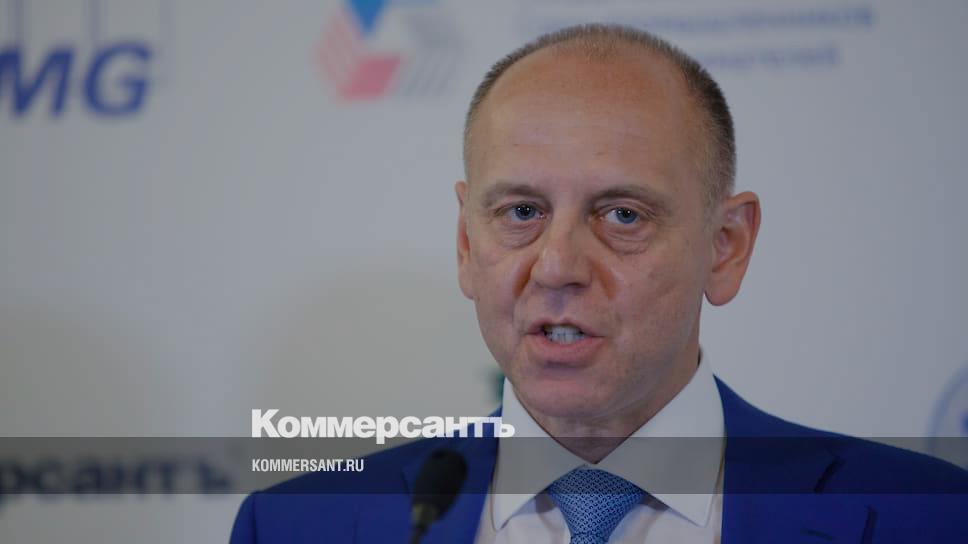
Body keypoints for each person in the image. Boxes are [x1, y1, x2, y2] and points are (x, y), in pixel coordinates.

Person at [230, 24, 967, 543]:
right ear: (465, 242)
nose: (556, 267)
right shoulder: (297, 527)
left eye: (622, 215)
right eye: (521, 212)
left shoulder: (930, 519)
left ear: (726, 247)